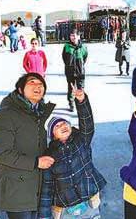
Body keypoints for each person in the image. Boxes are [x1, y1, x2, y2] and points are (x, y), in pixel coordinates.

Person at [0, 73, 56, 219]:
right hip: (17, 192)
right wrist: (36, 162)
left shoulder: (41, 114)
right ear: (20, 90)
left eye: (41, 85)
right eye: (32, 82)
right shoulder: (5, 116)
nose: (38, 86)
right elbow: (2, 154)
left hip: (41, 190)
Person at [40, 86, 106, 219]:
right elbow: (47, 188)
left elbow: (87, 124)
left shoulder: (81, 140)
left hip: (89, 200)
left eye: (65, 123)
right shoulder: (50, 156)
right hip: (66, 207)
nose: (62, 126)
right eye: (57, 126)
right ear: (52, 135)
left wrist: (81, 101)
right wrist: (44, 216)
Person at [62, 31, 88, 112]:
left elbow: (85, 57)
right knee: (71, 88)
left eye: (74, 35)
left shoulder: (83, 46)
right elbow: (64, 57)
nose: (72, 37)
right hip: (70, 71)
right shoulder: (66, 46)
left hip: (80, 72)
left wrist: (80, 65)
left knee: (80, 89)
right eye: (71, 35)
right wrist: (69, 65)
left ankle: (81, 104)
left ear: (78, 36)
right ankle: (71, 103)